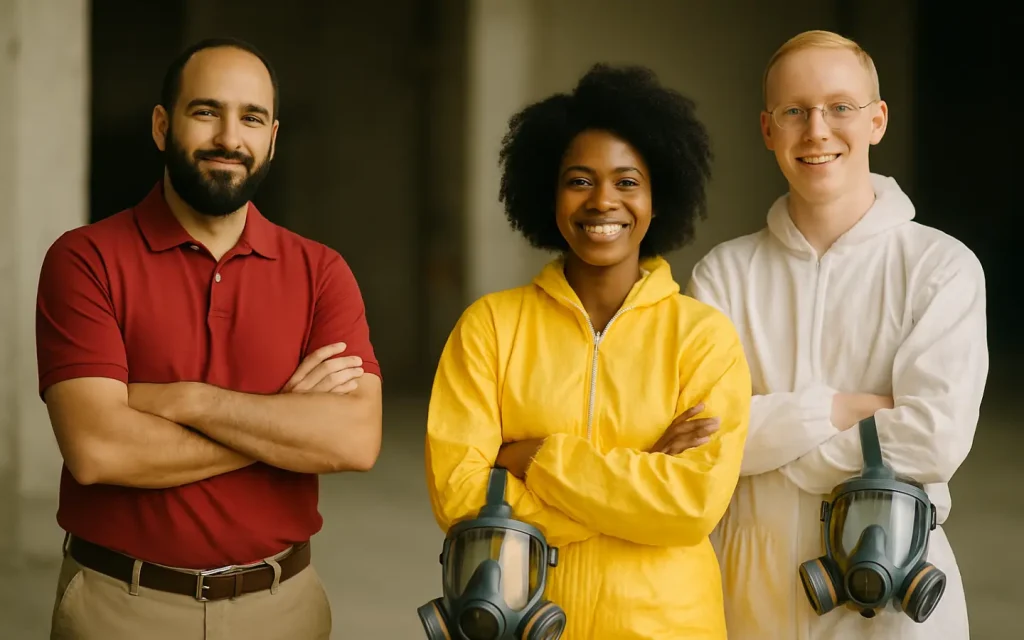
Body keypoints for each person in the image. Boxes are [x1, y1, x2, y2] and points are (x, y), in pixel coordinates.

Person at [36, 37, 381, 640]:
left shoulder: (322, 272)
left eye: (250, 118)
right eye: (206, 112)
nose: (230, 138)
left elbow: (354, 440)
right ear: (162, 126)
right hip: (122, 606)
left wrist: (189, 400)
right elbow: (99, 450)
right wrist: (285, 424)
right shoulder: (84, 259)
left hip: (284, 608)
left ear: (272, 136)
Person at [424, 63, 752, 639]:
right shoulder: (490, 327)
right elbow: (461, 498)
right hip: (519, 624)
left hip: (668, 627)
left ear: (658, 196)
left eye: (627, 181)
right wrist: (642, 476)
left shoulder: (704, 338)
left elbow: (693, 506)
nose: (603, 201)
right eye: (580, 180)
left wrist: (533, 459)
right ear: (549, 194)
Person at [687, 30, 987, 639]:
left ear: (876, 120)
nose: (817, 130)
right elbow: (702, 442)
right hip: (747, 596)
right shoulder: (723, 274)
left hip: (894, 595)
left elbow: (934, 439)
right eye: (794, 111)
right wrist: (844, 409)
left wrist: (769, 443)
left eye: (839, 108)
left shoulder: (940, 266)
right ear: (768, 130)